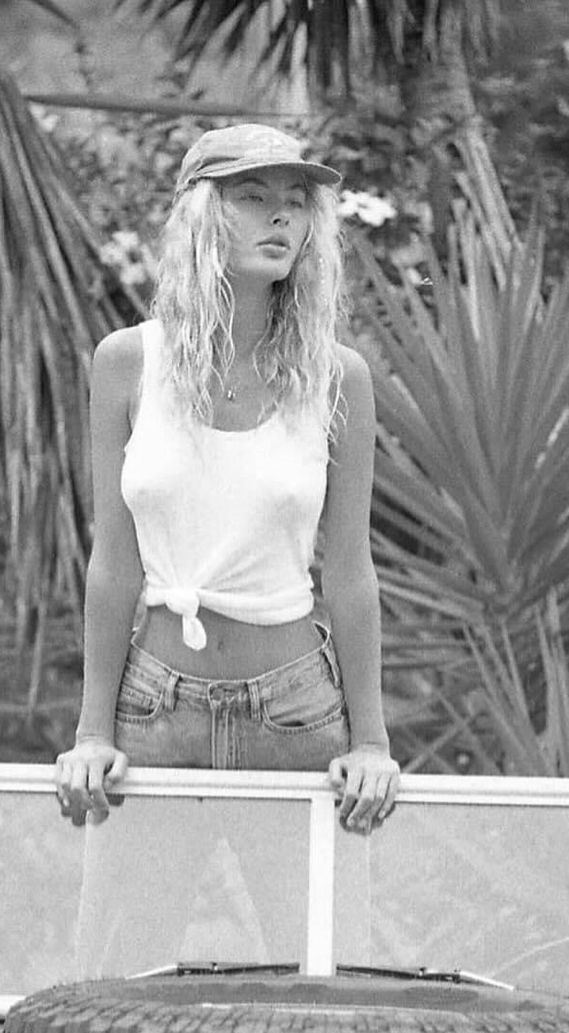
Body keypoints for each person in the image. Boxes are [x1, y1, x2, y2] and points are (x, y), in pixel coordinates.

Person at [54, 122, 399, 835]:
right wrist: (92, 734)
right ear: (201, 215)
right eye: (253, 197)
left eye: (296, 202)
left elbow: (349, 571)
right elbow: (114, 564)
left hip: (295, 714)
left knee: (305, 915)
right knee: (132, 913)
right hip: (153, 711)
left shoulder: (338, 378)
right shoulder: (126, 363)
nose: (280, 217)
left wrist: (371, 744)